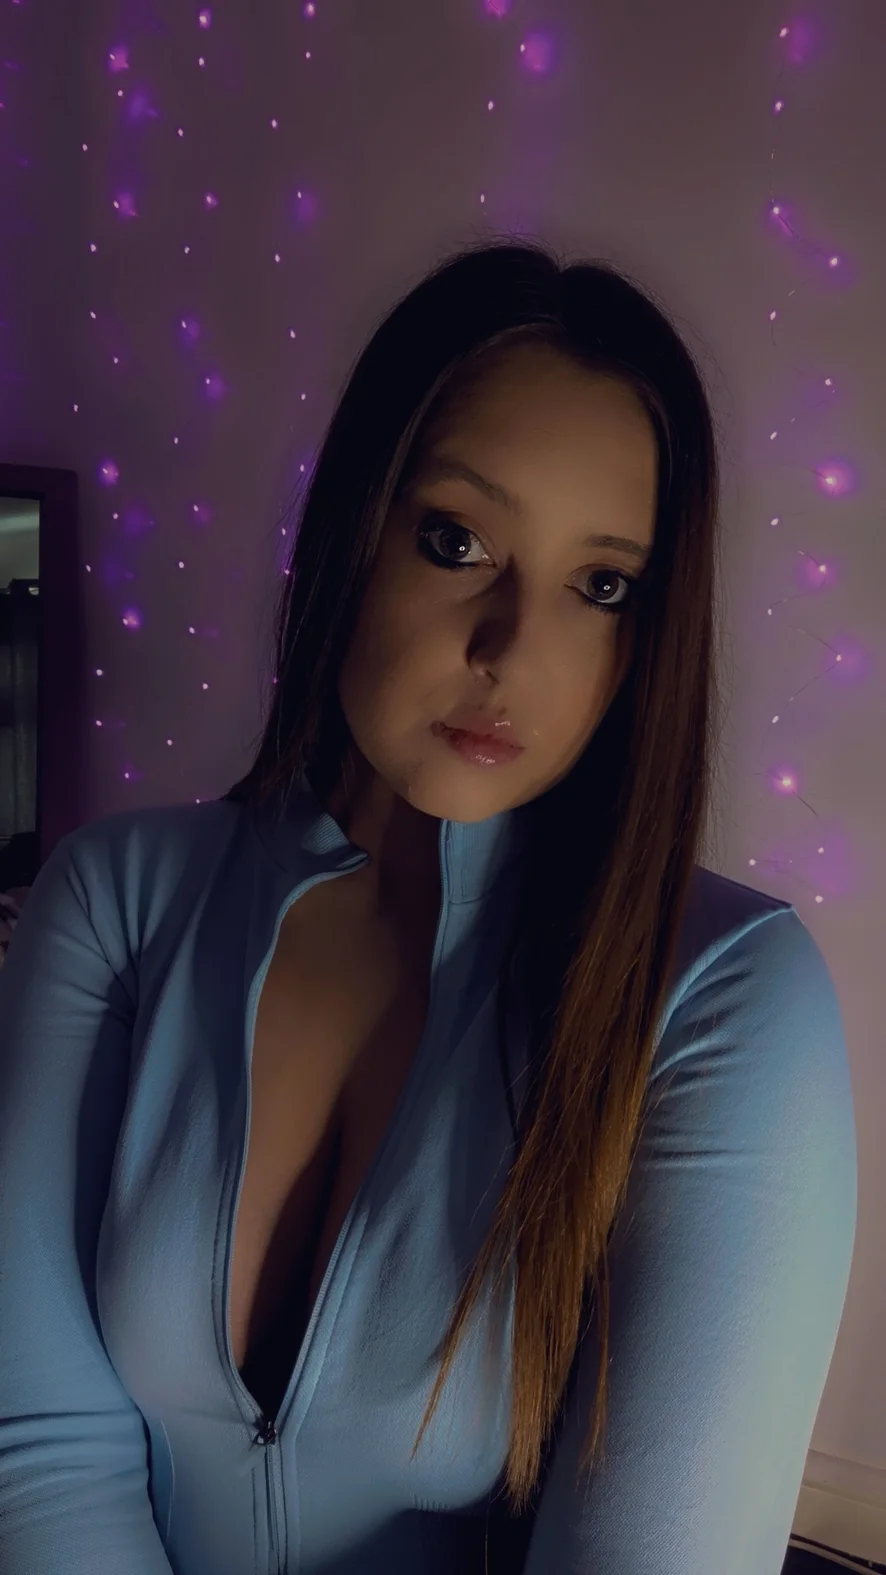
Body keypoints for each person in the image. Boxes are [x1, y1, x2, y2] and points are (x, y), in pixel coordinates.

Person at [0, 238, 857, 1575]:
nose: (512, 648)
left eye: (601, 585)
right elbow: (40, 1449)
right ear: (353, 526)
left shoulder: (723, 996)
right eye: (456, 541)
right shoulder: (115, 902)